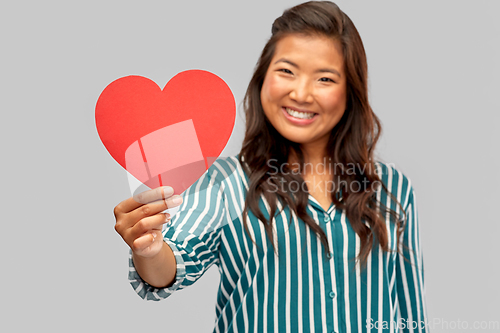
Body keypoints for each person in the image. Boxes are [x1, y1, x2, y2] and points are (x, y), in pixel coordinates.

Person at [113, 1, 428, 332]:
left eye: (324, 78)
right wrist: (148, 248)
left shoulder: (392, 188)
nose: (301, 93)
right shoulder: (225, 182)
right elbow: (172, 265)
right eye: (287, 71)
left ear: (350, 92)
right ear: (263, 79)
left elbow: (411, 317)